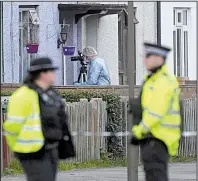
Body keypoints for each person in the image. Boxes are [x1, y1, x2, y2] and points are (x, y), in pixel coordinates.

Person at [3, 57, 75, 181]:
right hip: (32, 152)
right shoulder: (23, 95)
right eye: (51, 71)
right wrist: (18, 148)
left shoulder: (49, 94)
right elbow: (12, 126)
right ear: (42, 74)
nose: (54, 74)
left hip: (51, 148)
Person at [129, 43, 181, 181]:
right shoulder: (153, 79)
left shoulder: (162, 81)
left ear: (159, 58)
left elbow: (155, 112)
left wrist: (139, 131)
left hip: (157, 137)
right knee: (153, 175)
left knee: (156, 176)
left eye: (148, 56)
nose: (144, 60)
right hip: (154, 137)